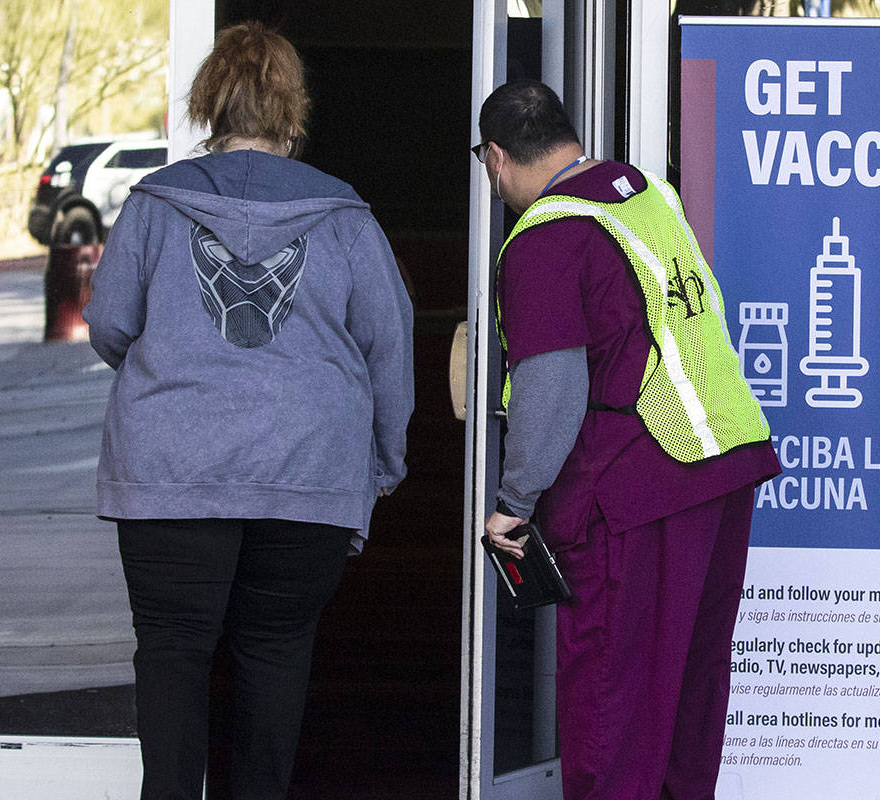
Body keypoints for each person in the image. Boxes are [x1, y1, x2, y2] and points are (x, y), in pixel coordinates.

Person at [83, 22, 413, 800]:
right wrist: (384, 463)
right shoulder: (347, 218)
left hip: (171, 476)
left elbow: (107, 325)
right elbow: (389, 346)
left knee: (170, 652)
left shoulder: (155, 206)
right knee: (275, 654)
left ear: (209, 106)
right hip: (305, 479)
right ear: (291, 114)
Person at [477, 80, 780, 800]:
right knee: (686, 699)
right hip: (721, 466)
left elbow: (550, 394)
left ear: (495, 160)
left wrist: (512, 504)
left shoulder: (547, 236)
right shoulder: (647, 193)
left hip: (637, 493)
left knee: (613, 712)